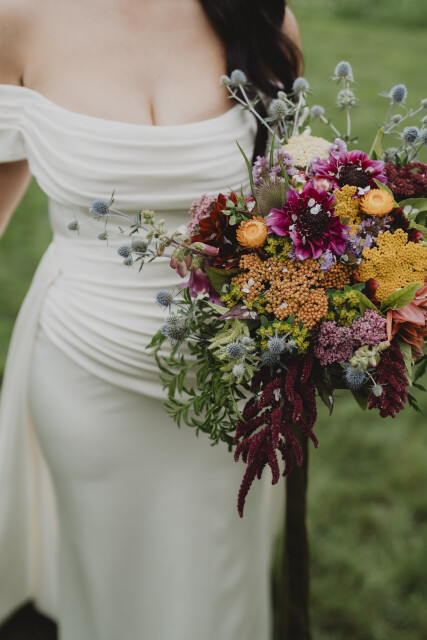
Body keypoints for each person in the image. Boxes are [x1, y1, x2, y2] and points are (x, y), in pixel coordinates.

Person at [0, 1, 302, 638]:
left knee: (220, 587)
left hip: (235, 383)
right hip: (88, 370)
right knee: (110, 588)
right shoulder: (18, 20)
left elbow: (284, 211)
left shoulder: (260, 19)